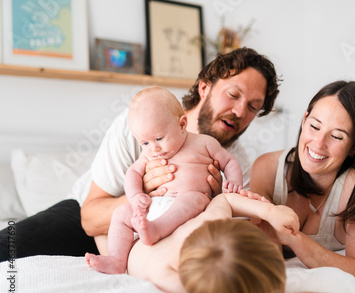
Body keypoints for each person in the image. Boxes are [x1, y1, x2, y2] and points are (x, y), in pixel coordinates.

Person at [0, 47, 279, 261]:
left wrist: (213, 201)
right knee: (7, 248)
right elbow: (89, 217)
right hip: (90, 216)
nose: (241, 112)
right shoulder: (144, 123)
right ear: (205, 87)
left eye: (254, 107)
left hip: (154, 239)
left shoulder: (236, 164)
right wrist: (144, 191)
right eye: (233, 94)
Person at [117, 192, 355, 293]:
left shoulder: (212, 221)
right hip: (135, 245)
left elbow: (225, 198)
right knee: (120, 220)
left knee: (196, 198)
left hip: (161, 222)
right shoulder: (174, 281)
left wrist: (270, 212)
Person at [86, 86, 243, 274]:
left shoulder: (204, 143)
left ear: (182, 124)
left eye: (159, 138)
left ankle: (155, 230)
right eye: (144, 143)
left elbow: (229, 162)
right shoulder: (148, 153)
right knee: (121, 214)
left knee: (192, 200)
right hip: (154, 205)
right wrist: (136, 196)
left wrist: (234, 182)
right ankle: (117, 260)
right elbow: (133, 173)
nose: (153, 148)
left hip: (190, 200)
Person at [250, 80, 355, 278]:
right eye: (314, 126)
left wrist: (296, 239)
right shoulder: (267, 170)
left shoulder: (354, 188)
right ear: (304, 120)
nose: (318, 144)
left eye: (336, 136)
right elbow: (268, 259)